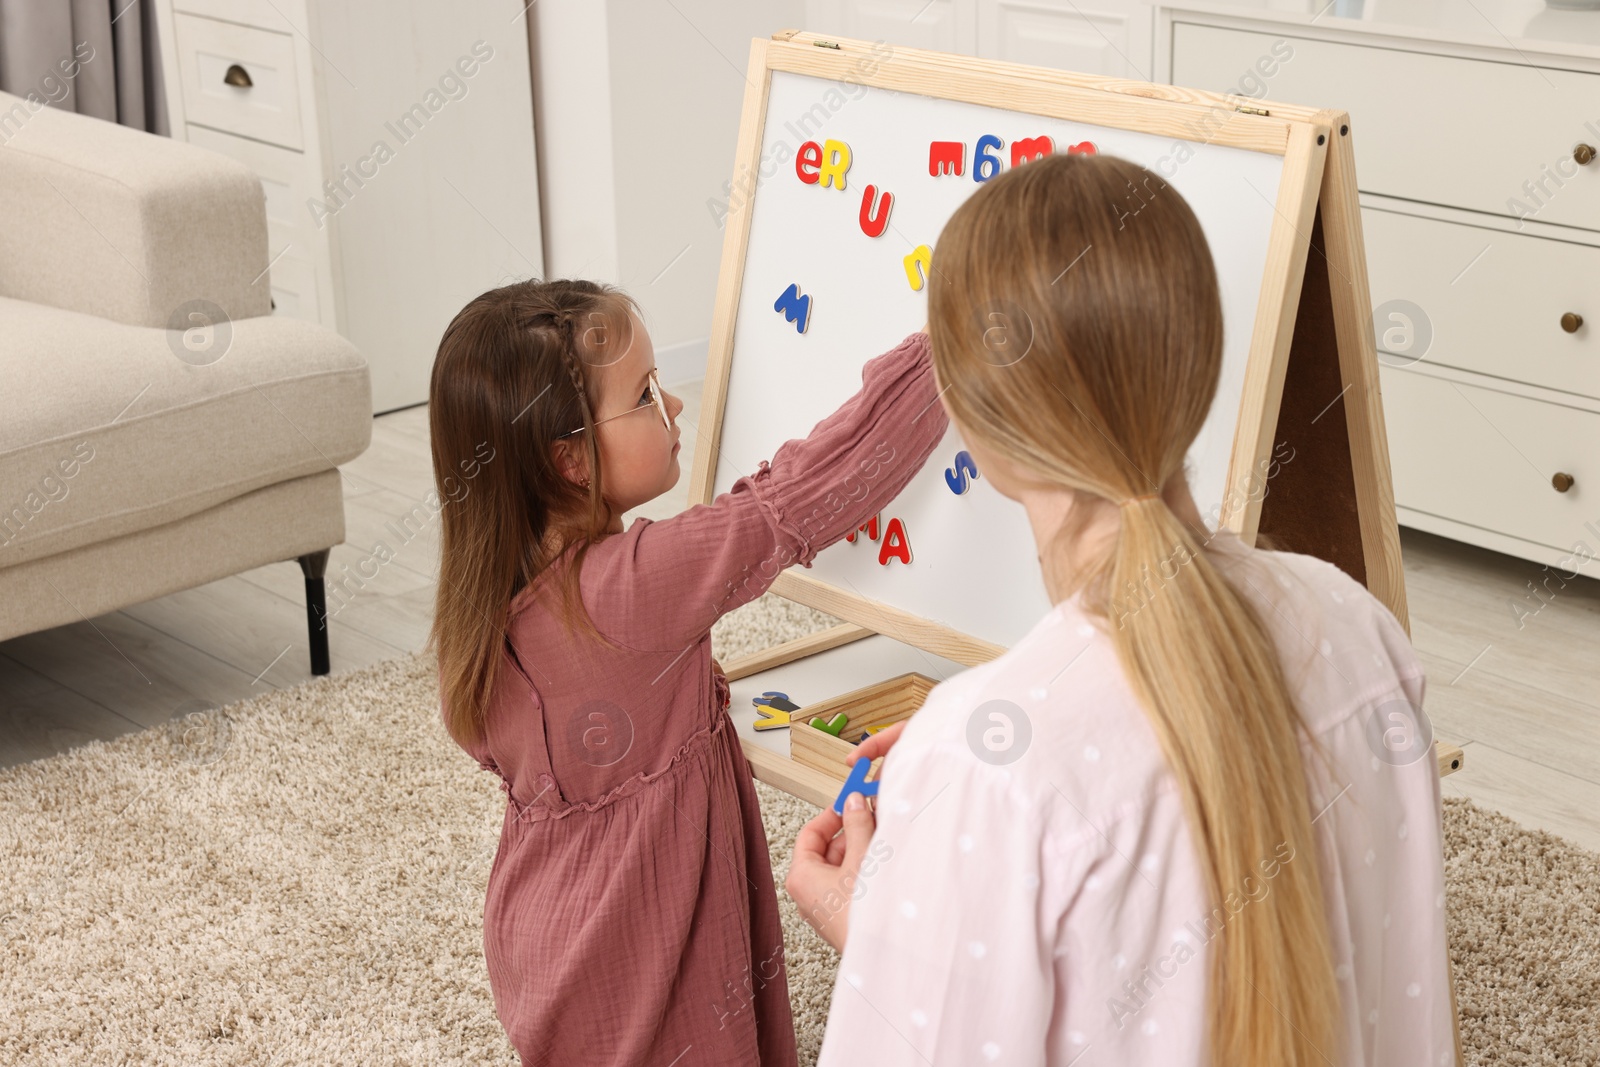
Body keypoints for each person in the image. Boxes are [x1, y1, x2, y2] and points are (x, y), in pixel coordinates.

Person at [785, 152, 1456, 1066]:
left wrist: (883, 940)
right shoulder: (1358, 625)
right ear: (1199, 369)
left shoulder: (985, 767)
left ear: (972, 422)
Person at [426, 277, 947, 1065]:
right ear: (568, 458)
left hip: (538, 943)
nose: (673, 408)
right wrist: (947, 350)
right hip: (641, 957)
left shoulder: (479, 604)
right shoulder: (634, 586)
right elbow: (800, 495)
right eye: (643, 394)